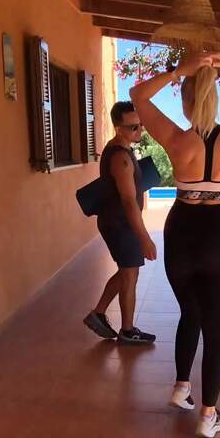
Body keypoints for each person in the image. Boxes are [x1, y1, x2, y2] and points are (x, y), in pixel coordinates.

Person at [130, 53, 220, 438]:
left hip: (182, 234)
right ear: (215, 96)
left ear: (185, 101)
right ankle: (208, 417)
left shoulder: (176, 139)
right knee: (217, 330)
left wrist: (179, 70)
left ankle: (181, 388)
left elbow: (138, 95)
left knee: (190, 313)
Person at [83, 102, 157, 345]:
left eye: (141, 125)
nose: (140, 130)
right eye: (133, 127)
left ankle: (98, 314)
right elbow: (127, 200)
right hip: (120, 224)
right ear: (118, 128)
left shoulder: (121, 148)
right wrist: (145, 238)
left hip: (118, 222)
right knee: (130, 274)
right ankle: (127, 330)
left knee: (128, 271)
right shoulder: (120, 158)